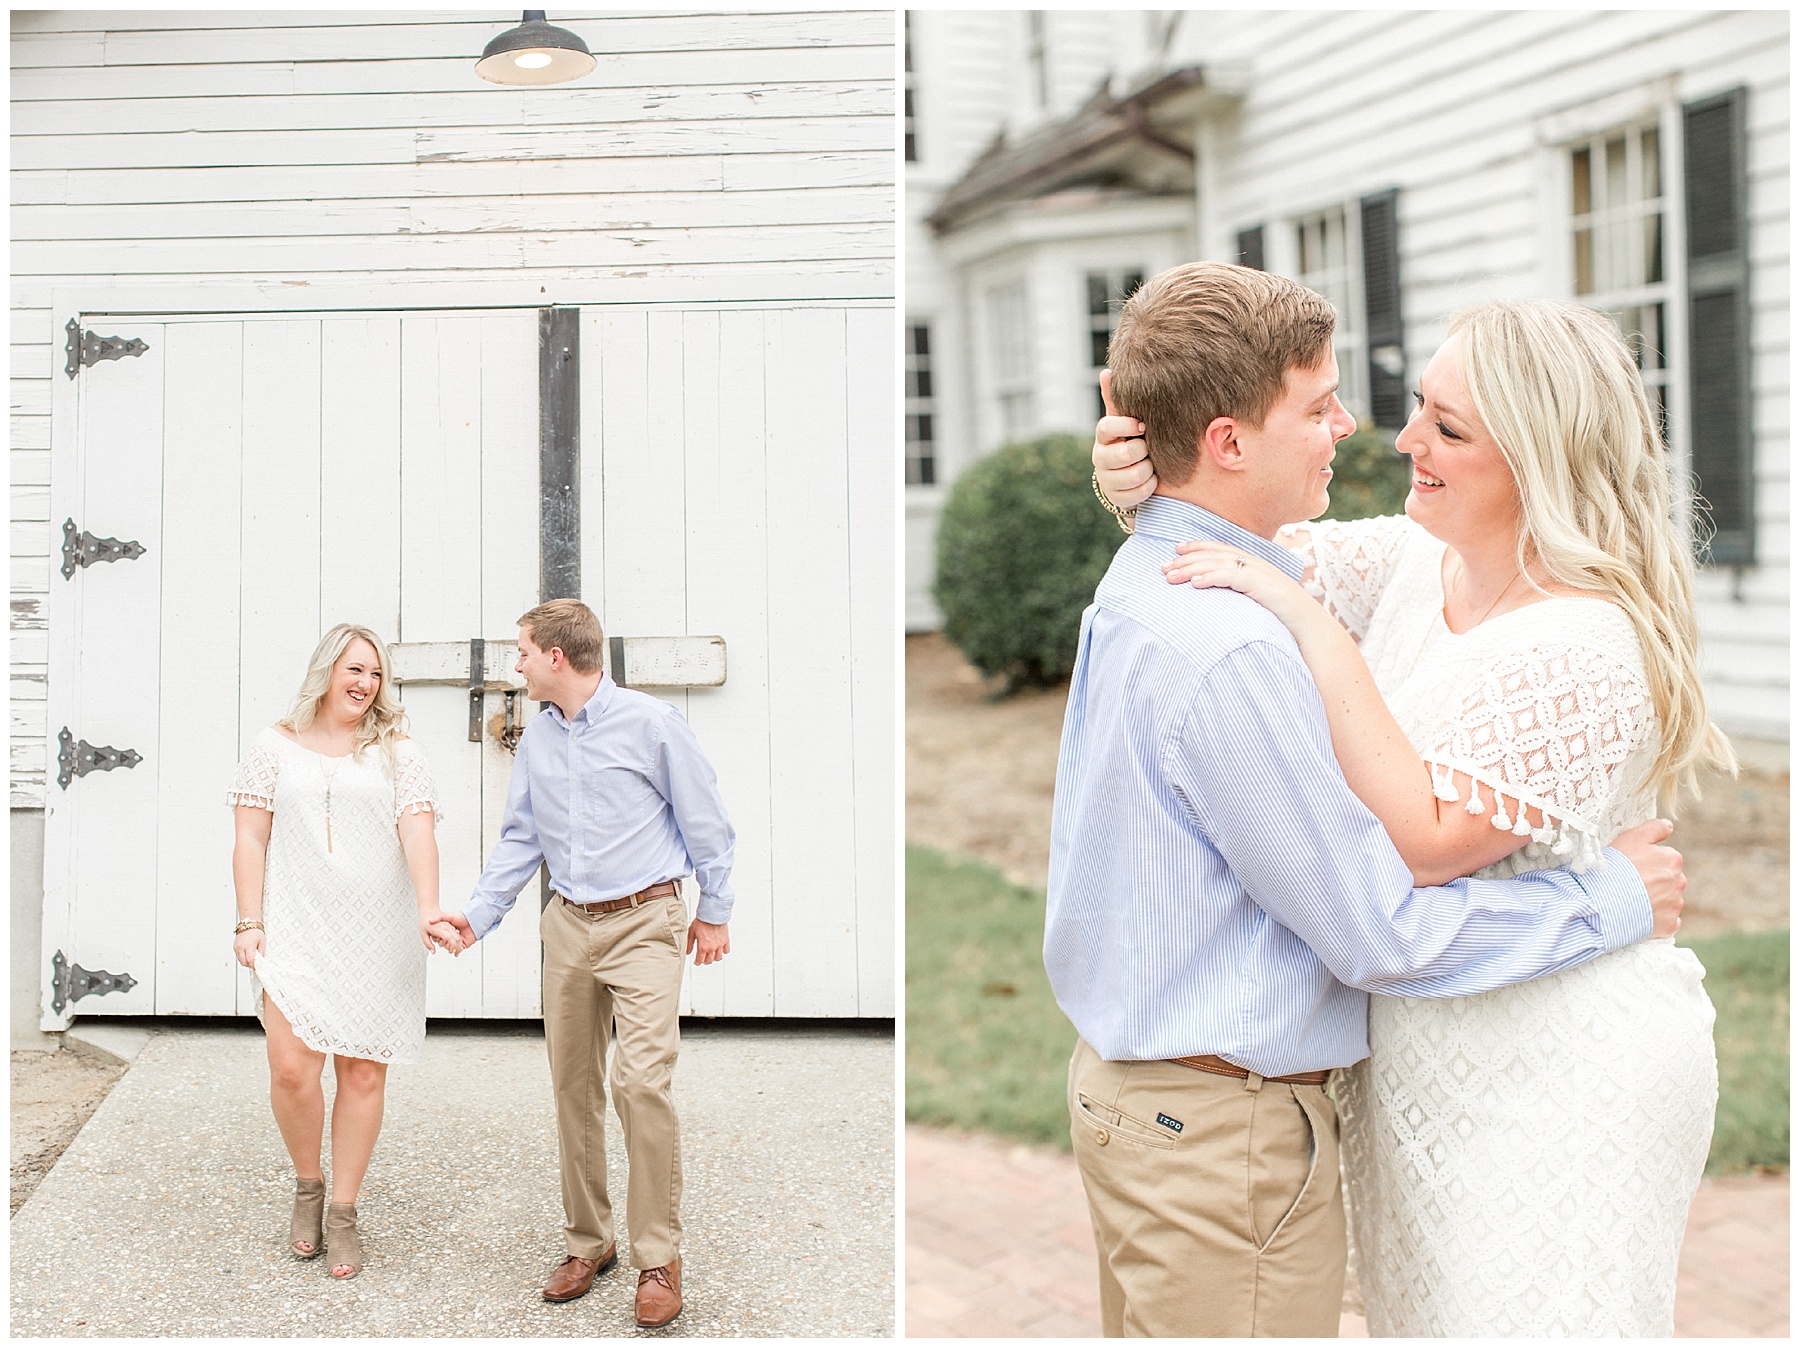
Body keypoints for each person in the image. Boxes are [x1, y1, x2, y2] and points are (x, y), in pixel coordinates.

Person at [1044, 261, 1691, 1338]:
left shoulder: (1565, 636)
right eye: (1323, 404)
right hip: (1247, 1107)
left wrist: (1166, 487)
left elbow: (1255, 542)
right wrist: (1145, 473)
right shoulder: (1367, 579)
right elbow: (1378, 926)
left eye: (1444, 424)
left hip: (1535, 1067)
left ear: (1533, 457)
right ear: (1229, 438)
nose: (1379, 433)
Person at [436, 598, 734, 1328]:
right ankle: (588, 1242)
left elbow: (707, 822)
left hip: (646, 923)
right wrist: (476, 917)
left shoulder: (652, 725)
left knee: (639, 1083)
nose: (518, 664)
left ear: (557, 659)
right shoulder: (539, 738)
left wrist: (715, 911)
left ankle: (658, 1257)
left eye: (523, 653)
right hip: (568, 924)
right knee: (573, 1088)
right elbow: (520, 838)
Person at [229, 623, 464, 1280]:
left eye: (376, 674)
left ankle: (345, 1212)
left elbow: (418, 834)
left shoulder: (399, 752)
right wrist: (248, 920)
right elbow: (250, 838)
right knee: (292, 1071)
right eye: (354, 670)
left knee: (362, 1074)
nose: (365, 684)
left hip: (376, 931)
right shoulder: (272, 746)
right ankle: (308, 1187)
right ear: (327, 672)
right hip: (295, 926)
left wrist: (427, 907)